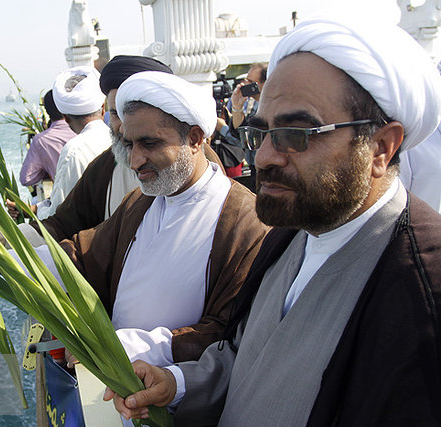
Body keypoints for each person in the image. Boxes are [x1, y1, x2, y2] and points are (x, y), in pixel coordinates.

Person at [106, 17, 441, 426]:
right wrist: (175, 382)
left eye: (296, 134)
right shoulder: (288, 237)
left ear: (381, 148)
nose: (262, 157)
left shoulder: (421, 290)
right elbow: (242, 357)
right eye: (261, 132)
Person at [58, 70, 268, 367]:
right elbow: (84, 253)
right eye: (130, 145)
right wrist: (8, 259)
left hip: (177, 403)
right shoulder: (142, 202)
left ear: (195, 138)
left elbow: (227, 331)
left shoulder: (245, 223)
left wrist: (122, 346)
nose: (134, 161)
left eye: (150, 144)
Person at [10, 55, 226, 242]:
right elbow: (63, 226)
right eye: (115, 114)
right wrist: (0, 242)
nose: (124, 127)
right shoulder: (105, 166)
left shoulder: (204, 170)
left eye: (130, 114)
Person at [35, 65, 111, 220]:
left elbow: (58, 214)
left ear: (66, 117)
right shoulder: (119, 139)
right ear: (103, 108)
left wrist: (39, 209)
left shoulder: (73, 150)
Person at [215, 63, 267, 190]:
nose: (244, 85)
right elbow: (241, 136)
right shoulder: (253, 104)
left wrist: (222, 128)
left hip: (267, 170)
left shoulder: (269, 109)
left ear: (264, 84)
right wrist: (237, 106)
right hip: (255, 169)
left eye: (250, 81)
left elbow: (248, 142)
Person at [19, 90, 76, 188]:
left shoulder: (41, 141)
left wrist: (46, 167)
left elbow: (26, 178)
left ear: (46, 110)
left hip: (67, 197)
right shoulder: (83, 130)